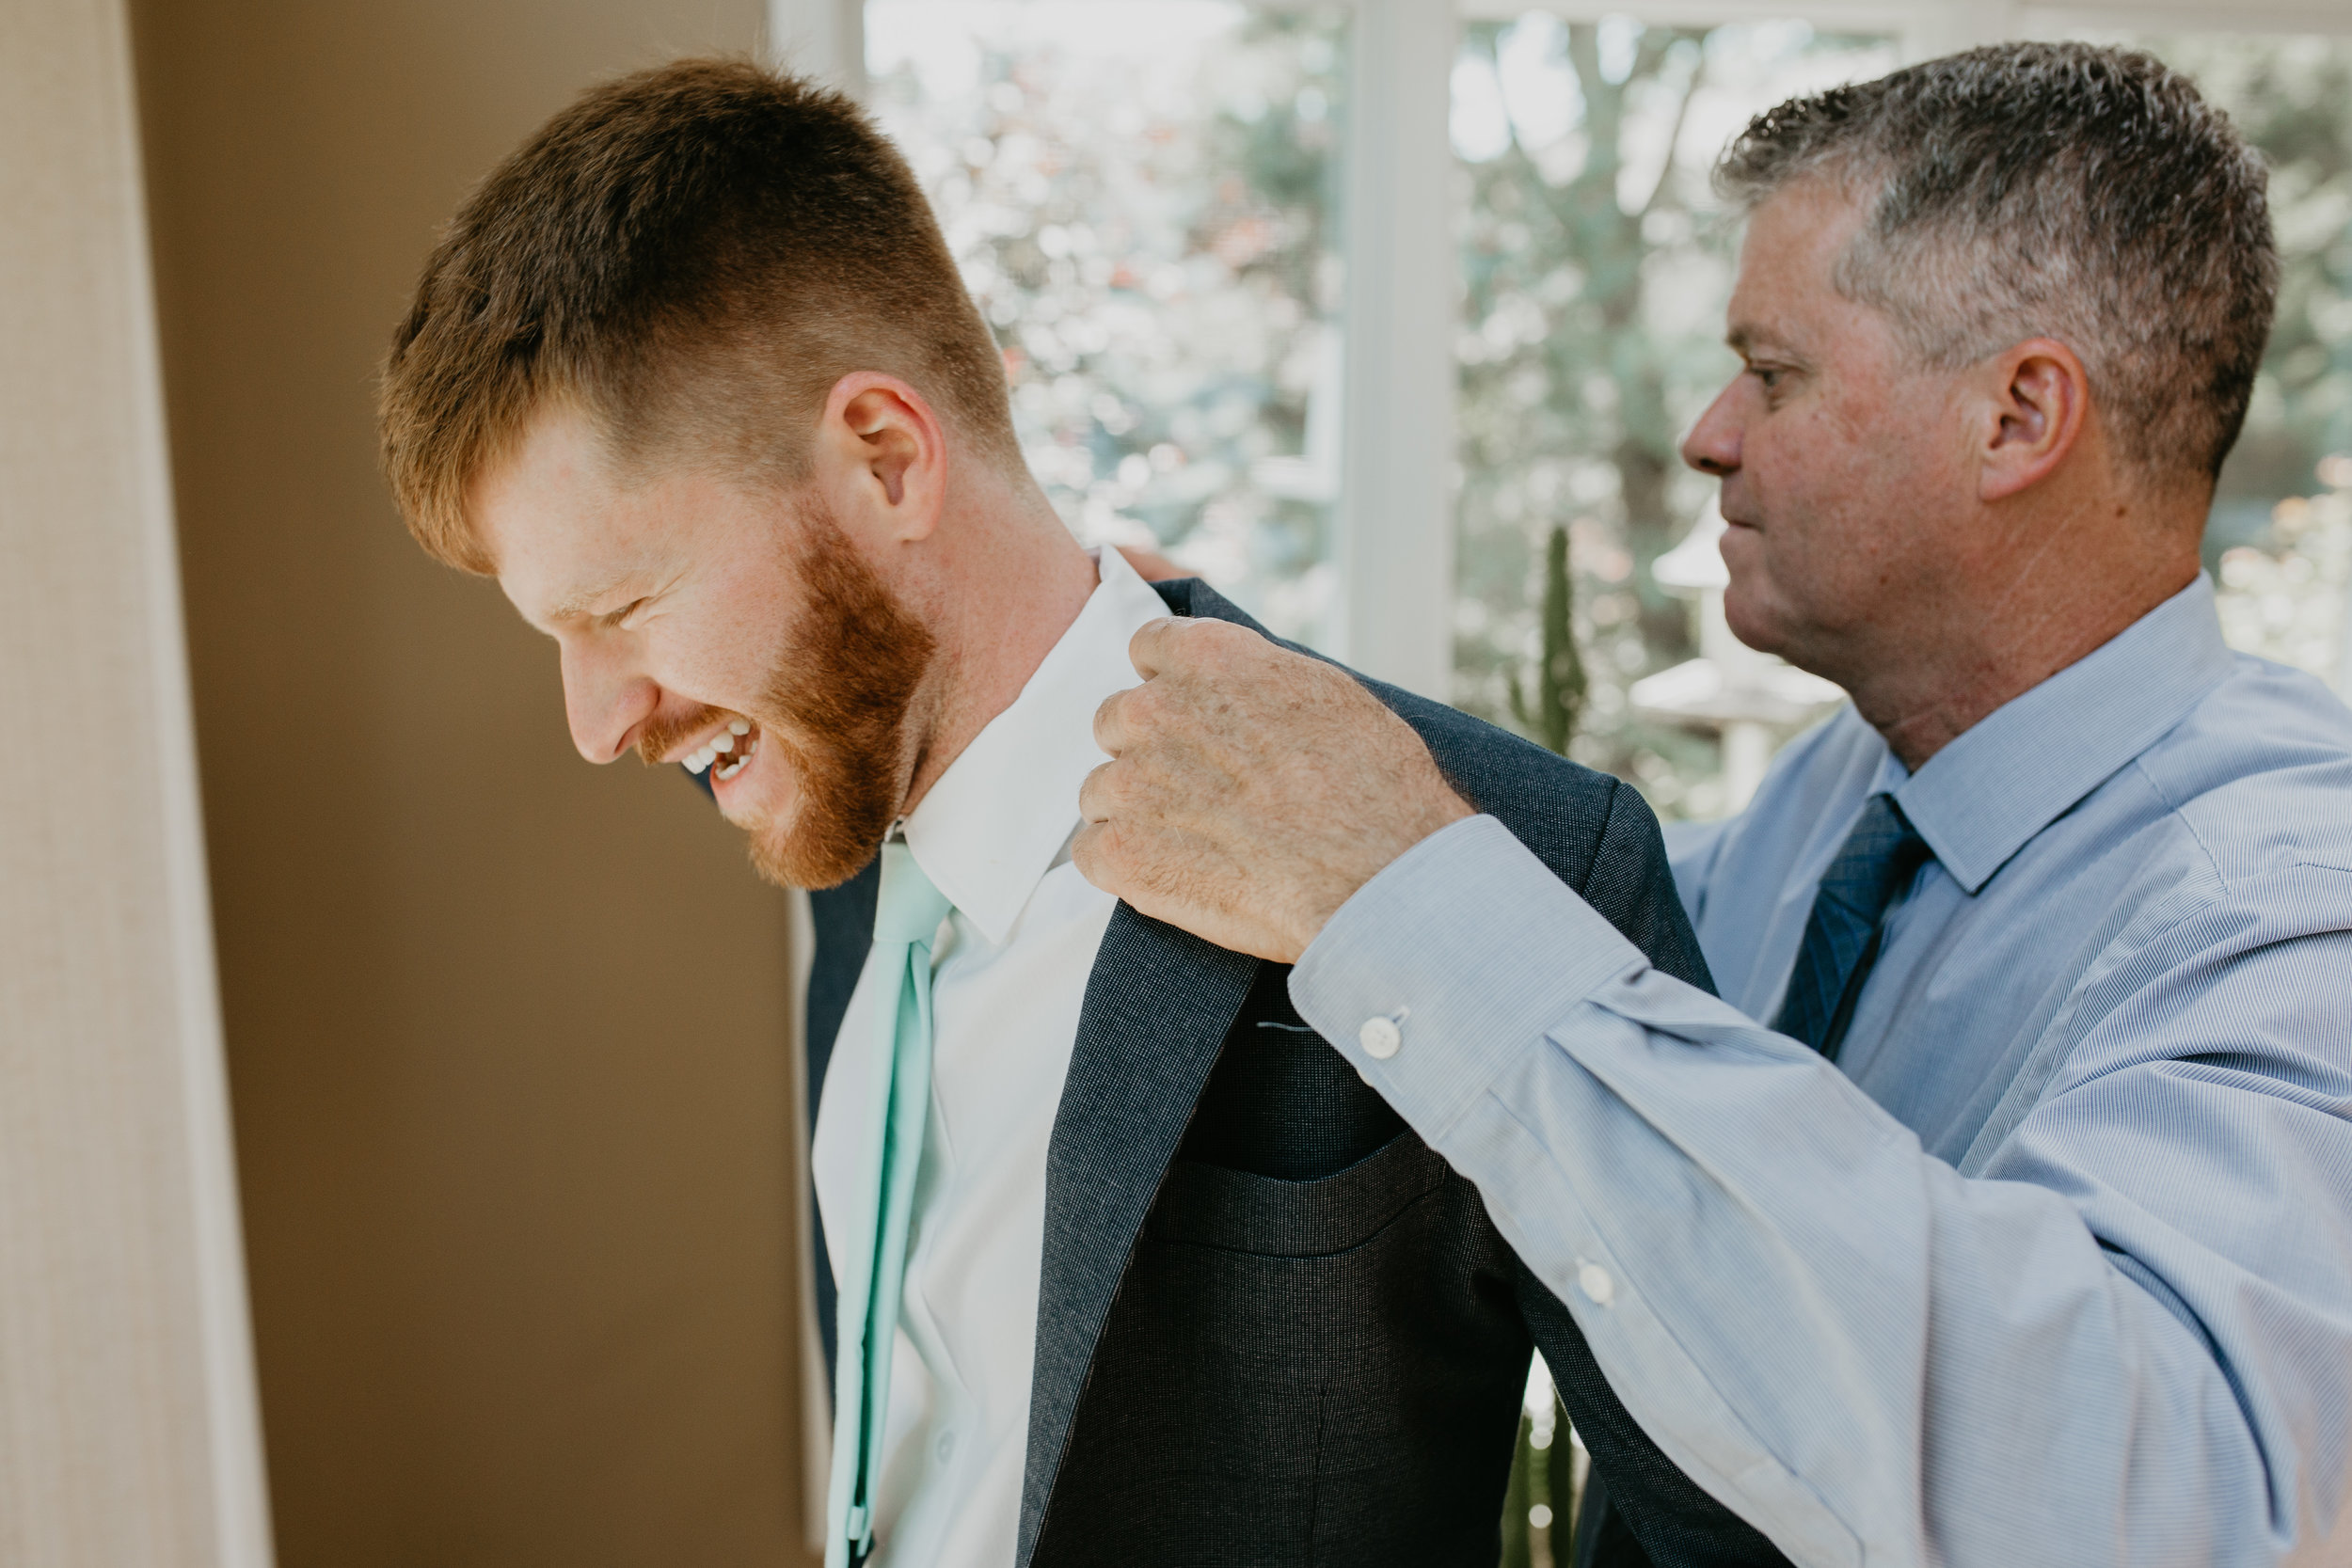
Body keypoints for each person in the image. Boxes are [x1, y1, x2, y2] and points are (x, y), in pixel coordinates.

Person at [375, 59, 1794, 1568]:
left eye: (627, 606)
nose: (598, 726)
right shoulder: (847, 810)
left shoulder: (1506, 849)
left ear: (885, 459)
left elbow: (1742, 1517)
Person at [1075, 41, 2352, 1568]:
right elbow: (1604, 954)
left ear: (2018, 416)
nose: (1708, 436)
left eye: (1775, 371)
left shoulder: (2291, 905)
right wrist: (1263, 707)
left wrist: (1392, 890)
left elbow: (2153, 1496)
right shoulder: (1852, 795)